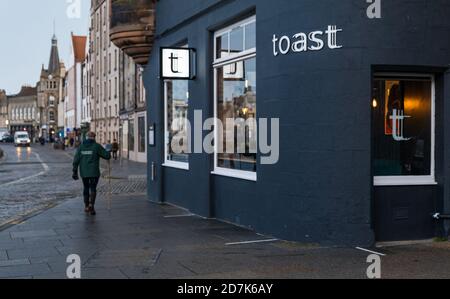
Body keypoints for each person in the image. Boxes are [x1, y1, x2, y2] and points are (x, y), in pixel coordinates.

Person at [72, 132, 111, 215]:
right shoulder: (96, 146)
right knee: (93, 188)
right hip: (94, 172)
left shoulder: (81, 147)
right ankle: (91, 206)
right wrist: (108, 150)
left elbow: (76, 160)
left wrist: (74, 171)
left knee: (86, 188)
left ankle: (86, 206)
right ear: (94, 137)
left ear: (86, 137)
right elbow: (107, 156)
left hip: (84, 172)